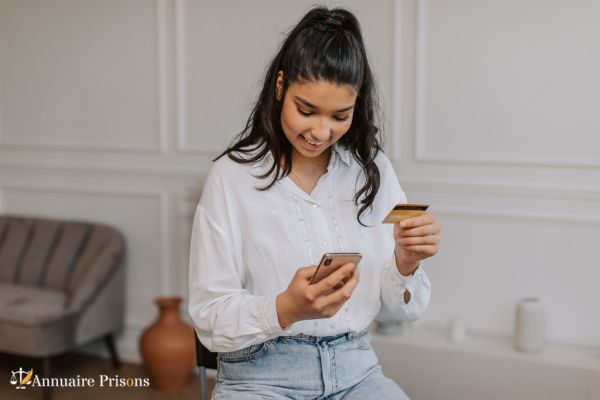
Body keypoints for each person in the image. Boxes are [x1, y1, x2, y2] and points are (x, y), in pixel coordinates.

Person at [188, 6, 441, 399]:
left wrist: (407, 263)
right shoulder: (230, 177)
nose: (321, 132)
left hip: (357, 370)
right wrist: (284, 308)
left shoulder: (374, 170)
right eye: (306, 110)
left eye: (340, 116)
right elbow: (208, 316)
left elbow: (404, 312)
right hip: (260, 378)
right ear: (279, 86)